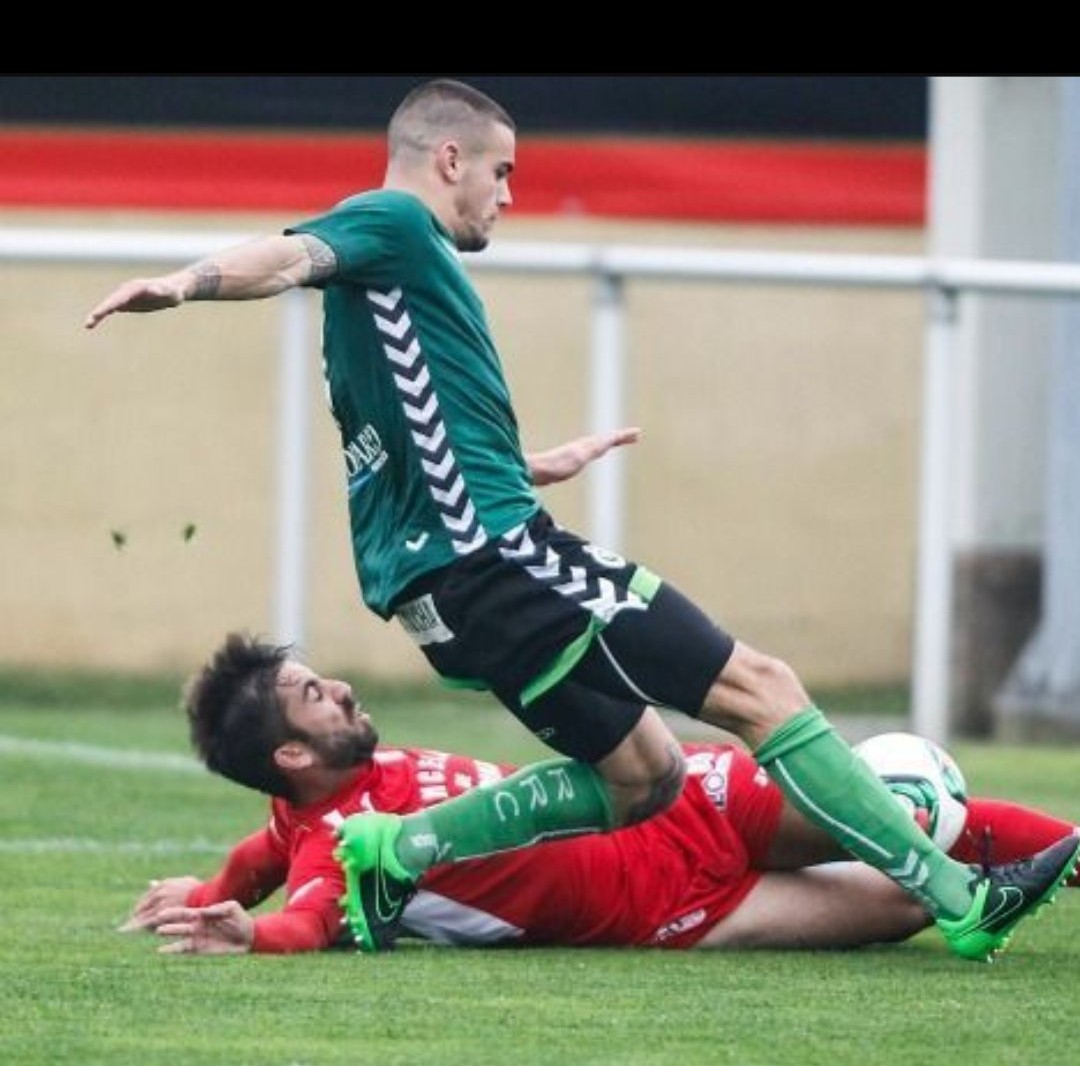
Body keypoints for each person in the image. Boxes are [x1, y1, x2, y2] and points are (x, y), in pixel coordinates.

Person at [86, 77, 1080, 961]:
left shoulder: (382, 303)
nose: (507, 195)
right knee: (761, 688)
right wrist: (186, 283)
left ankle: (399, 849)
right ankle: (961, 898)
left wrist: (517, 465)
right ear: (449, 159)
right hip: (500, 559)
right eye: (502, 172)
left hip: (451, 592)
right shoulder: (391, 223)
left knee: (643, 776)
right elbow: (289, 253)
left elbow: (400, 453)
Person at [120, 633, 1080, 957]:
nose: (339, 688)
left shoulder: (310, 807)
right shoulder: (335, 844)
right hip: (673, 911)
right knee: (907, 901)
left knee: (901, 819)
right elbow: (310, 915)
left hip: (678, 798)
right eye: (313, 696)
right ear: (292, 754)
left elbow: (259, 853)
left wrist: (212, 890)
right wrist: (252, 931)